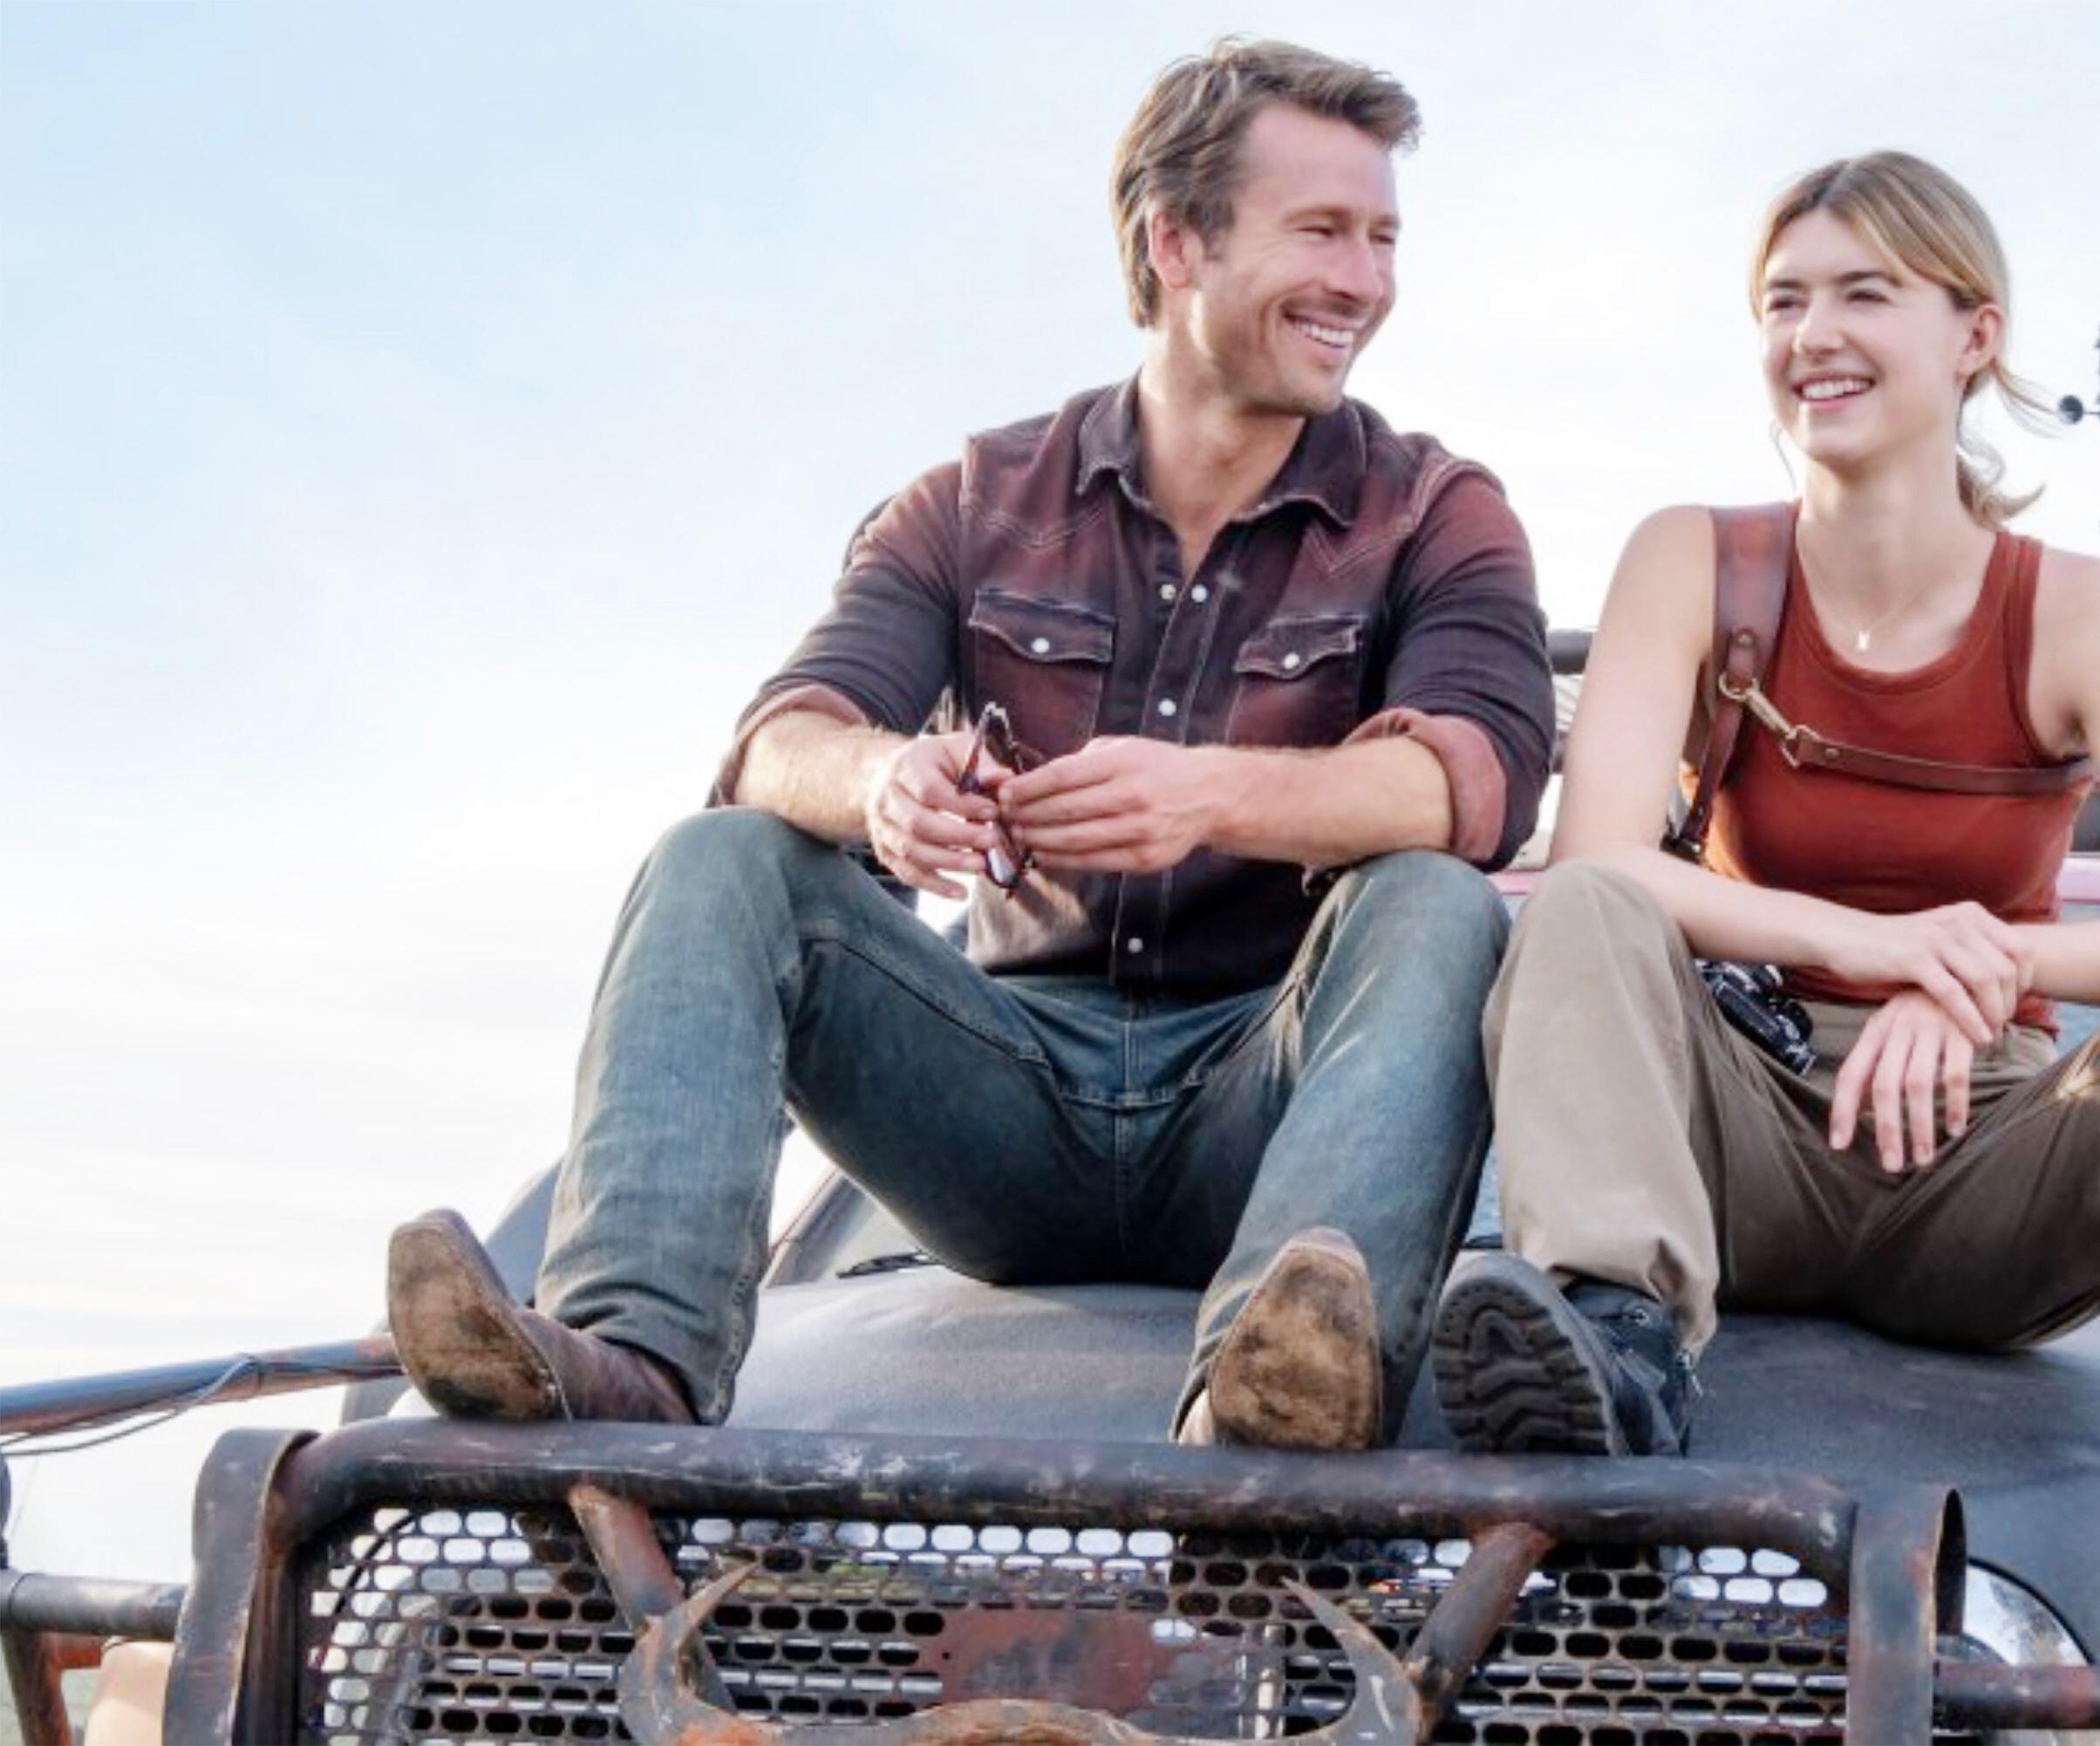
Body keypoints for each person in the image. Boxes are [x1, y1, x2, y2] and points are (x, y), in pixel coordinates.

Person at [383, 38, 1554, 1456]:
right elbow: (777, 741)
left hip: (1271, 1093)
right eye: (1323, 231)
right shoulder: (974, 500)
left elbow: (1479, 778)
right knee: (721, 855)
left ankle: (1280, 1384)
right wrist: (878, 782)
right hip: (1001, 1100)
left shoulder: (1437, 509)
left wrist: (1214, 797)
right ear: (1174, 240)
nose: (1366, 280)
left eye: (1382, 239)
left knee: (1434, 893)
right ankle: (630, 1356)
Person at [1431, 151, 2100, 1671]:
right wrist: (1864, 942)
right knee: (1584, 906)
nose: (1813, 335)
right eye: (1784, 302)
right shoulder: (1693, 563)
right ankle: (1617, 1344)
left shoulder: (2085, 613)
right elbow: (1596, 856)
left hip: (1983, 1159)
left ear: (1974, 334)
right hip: (1736, 1134)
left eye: (1865, 293)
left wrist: (1971, 973)